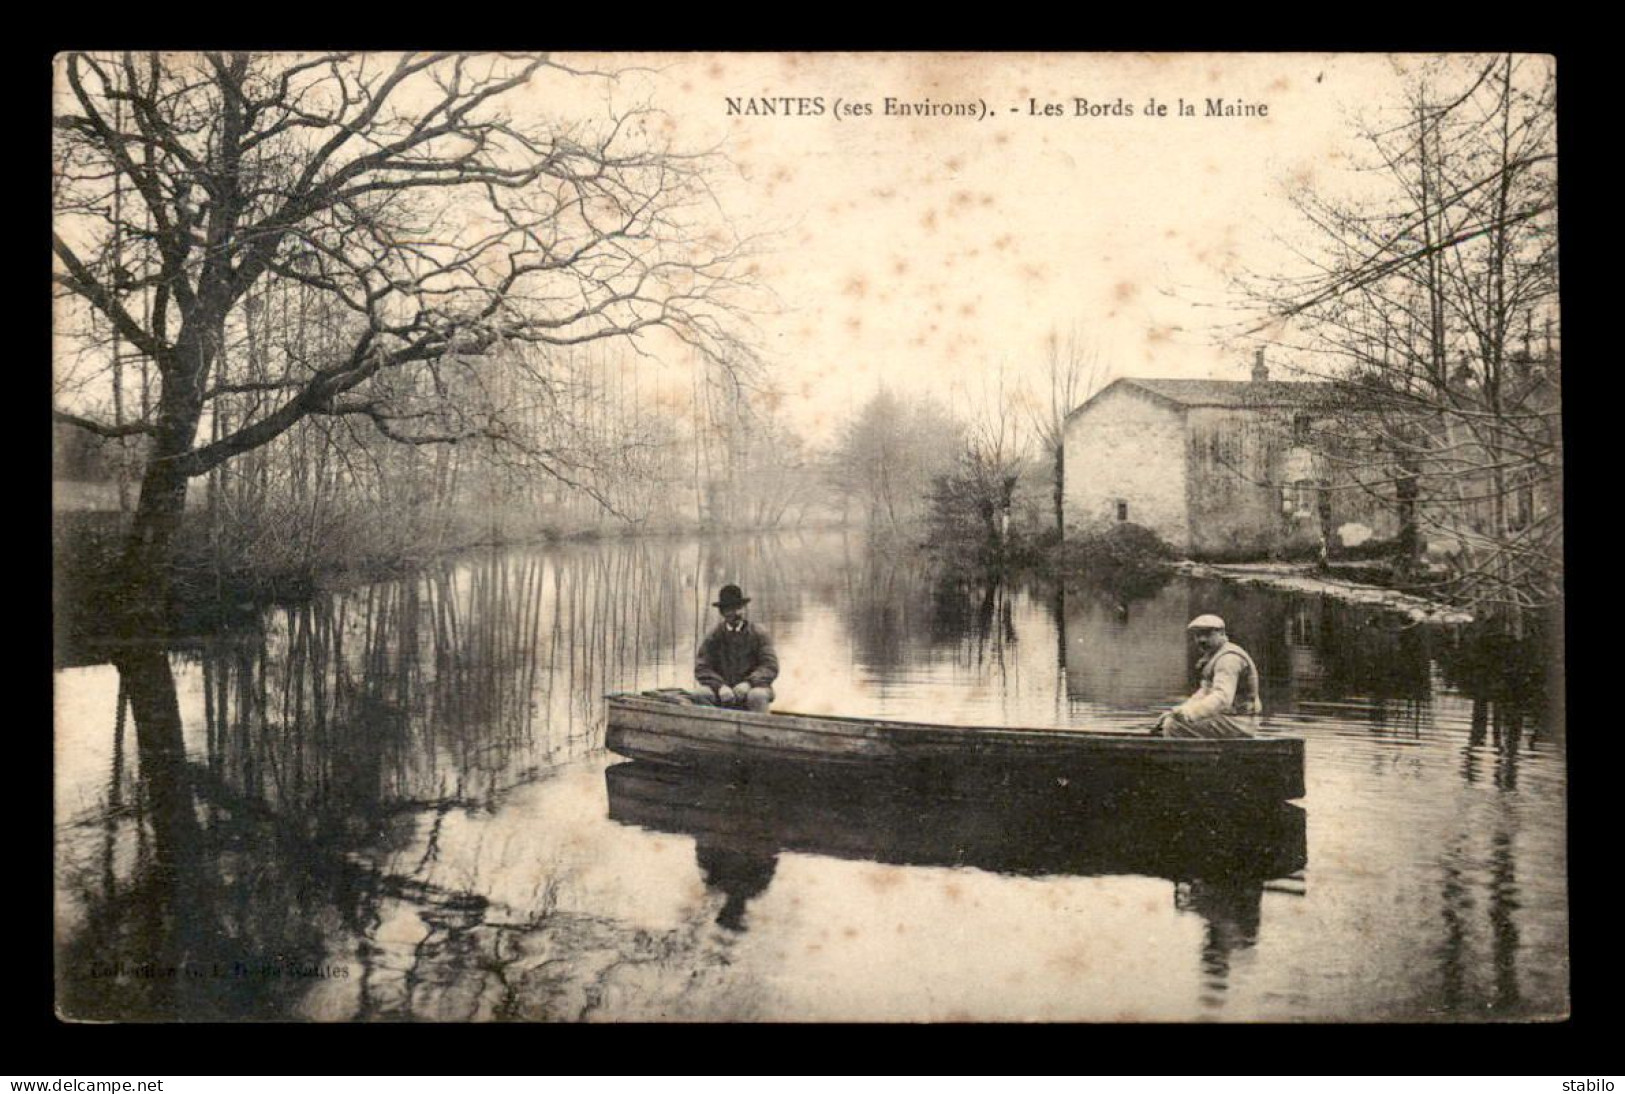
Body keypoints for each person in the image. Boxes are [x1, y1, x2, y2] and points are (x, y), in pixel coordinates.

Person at [1152, 614, 1262, 739]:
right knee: (1169, 721)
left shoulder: (1228, 659)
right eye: (1198, 635)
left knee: (1174, 726)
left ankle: (1184, 758)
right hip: (1227, 718)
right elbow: (1204, 693)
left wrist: (1189, 714)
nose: (1202, 640)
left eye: (1208, 634)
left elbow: (1222, 698)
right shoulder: (1213, 657)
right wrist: (1179, 711)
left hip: (1240, 722)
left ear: (1222, 634)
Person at [688, 584, 778, 713]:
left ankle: (761, 733)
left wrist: (748, 683)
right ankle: (714, 731)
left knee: (757, 696)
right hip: (723, 692)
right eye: (730, 609)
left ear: (743, 608)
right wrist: (720, 686)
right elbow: (702, 668)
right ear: (722, 612)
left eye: (738, 608)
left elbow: (770, 666)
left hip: (754, 688)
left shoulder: (759, 634)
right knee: (700, 694)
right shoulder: (713, 637)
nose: (735, 613)